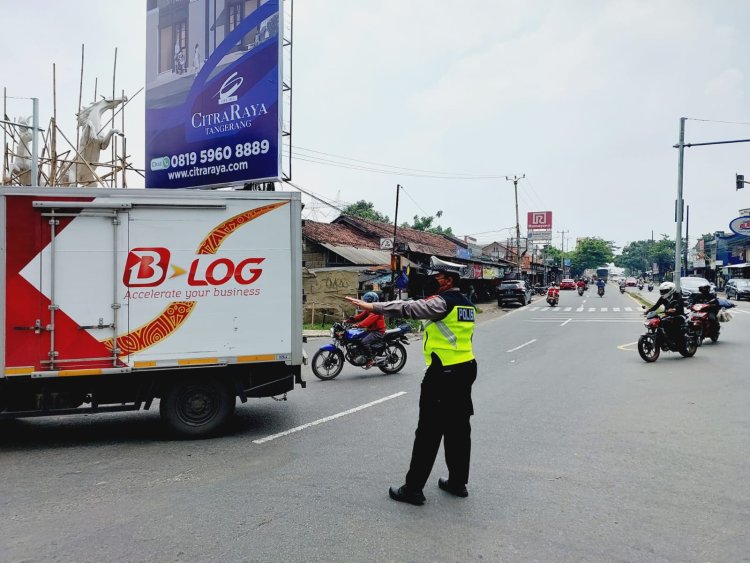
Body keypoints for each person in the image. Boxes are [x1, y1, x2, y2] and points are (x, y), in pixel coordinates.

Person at [345, 257, 477, 506]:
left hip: (443, 374)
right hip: (466, 369)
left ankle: (413, 489)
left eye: (437, 277)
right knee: (458, 430)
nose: (433, 280)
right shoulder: (467, 304)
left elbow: (410, 308)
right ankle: (458, 483)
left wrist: (373, 307)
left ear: (449, 280)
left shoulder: (441, 302)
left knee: (428, 431)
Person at [345, 291, 385, 368]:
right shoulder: (369, 309)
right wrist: (348, 320)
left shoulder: (376, 311)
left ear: (372, 301)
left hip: (378, 332)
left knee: (364, 341)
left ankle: (370, 359)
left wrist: (358, 325)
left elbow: (368, 321)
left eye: (367, 301)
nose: (365, 303)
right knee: (358, 338)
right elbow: (360, 316)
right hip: (370, 330)